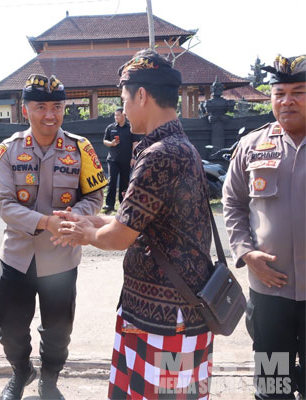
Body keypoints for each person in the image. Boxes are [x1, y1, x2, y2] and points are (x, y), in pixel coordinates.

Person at [54, 50, 215, 398]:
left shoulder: (160, 154)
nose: (123, 109)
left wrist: (86, 233)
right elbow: (138, 220)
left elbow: (120, 236)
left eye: (125, 99)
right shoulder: (178, 146)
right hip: (165, 313)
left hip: (167, 320)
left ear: (141, 95)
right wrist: (91, 219)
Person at [0, 74, 105, 400]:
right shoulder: (7, 151)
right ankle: (21, 372)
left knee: (58, 331)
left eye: (57, 107)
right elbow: (4, 204)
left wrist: (74, 218)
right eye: (41, 107)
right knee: (11, 330)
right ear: (25, 109)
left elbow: (95, 195)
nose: (50, 115)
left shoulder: (81, 148)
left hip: (61, 257)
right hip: (18, 256)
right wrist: (46, 222)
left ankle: (49, 381)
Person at [222, 54, 305, 400]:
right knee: (273, 385)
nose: (287, 101)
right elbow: (233, 203)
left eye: (298, 92)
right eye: (279, 93)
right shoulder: (252, 146)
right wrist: (245, 253)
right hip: (269, 294)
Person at [102, 107, 141, 213]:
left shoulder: (131, 128)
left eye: (118, 115)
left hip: (126, 160)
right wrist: (111, 143)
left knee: (124, 182)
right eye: (115, 115)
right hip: (113, 159)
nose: (116, 117)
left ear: (124, 115)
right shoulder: (110, 127)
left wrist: (134, 157)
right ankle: (109, 204)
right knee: (112, 181)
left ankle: (123, 204)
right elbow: (105, 141)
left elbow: (135, 143)